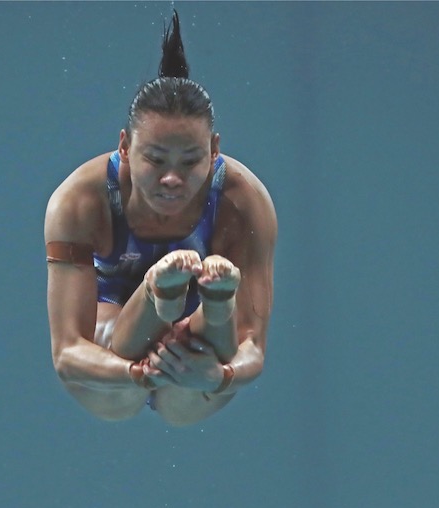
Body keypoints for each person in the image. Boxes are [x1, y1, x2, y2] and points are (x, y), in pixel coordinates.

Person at [44, 10, 276, 426]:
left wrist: (220, 376)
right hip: (112, 343)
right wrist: (137, 373)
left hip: (197, 358)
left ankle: (212, 305)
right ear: (125, 147)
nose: (172, 179)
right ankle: (161, 295)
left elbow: (252, 350)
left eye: (190, 161)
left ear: (214, 151)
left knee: (185, 397)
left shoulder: (244, 201)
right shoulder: (79, 200)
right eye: (154, 159)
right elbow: (67, 354)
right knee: (117, 385)